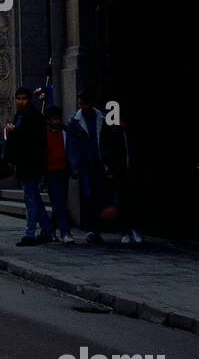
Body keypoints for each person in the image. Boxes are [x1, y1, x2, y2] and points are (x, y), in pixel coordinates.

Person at [4, 86, 52, 246]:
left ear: (29, 100)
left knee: (30, 198)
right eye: (18, 99)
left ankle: (30, 233)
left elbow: (33, 141)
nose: (20, 102)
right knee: (34, 198)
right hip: (23, 163)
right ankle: (46, 230)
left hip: (32, 163)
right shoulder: (20, 114)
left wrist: (15, 131)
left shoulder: (34, 116)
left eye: (23, 99)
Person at [67, 90, 108, 245]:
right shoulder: (75, 122)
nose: (82, 106)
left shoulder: (101, 118)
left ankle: (97, 228)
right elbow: (72, 146)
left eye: (84, 103)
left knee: (99, 195)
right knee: (88, 195)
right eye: (80, 103)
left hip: (99, 162)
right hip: (85, 165)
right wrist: (74, 166)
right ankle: (92, 229)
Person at [103, 118, 141, 246]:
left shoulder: (131, 135)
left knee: (133, 202)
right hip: (120, 173)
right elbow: (110, 153)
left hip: (131, 172)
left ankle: (133, 229)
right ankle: (125, 231)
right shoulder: (115, 134)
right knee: (122, 202)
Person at [43, 105, 74, 243]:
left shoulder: (65, 132)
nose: (57, 121)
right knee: (59, 201)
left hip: (63, 170)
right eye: (54, 119)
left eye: (58, 119)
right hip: (50, 172)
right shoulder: (44, 134)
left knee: (59, 202)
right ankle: (65, 231)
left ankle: (51, 229)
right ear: (49, 120)